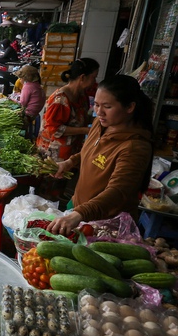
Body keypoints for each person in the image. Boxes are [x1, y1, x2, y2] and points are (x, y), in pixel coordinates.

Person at [46, 75, 153, 234]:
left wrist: (80, 213)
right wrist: (70, 162)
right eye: (96, 105)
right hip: (78, 207)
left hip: (106, 225)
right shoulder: (101, 123)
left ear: (130, 107)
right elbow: (90, 151)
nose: (99, 112)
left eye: (107, 106)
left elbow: (117, 192)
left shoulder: (135, 147)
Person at [37, 58, 100, 161]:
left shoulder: (82, 96)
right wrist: (85, 130)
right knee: (55, 175)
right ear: (83, 78)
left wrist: (98, 121)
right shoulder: (60, 100)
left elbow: (80, 118)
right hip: (53, 154)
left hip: (72, 151)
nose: (95, 82)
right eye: (94, 77)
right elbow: (53, 129)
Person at [16, 65, 46, 140]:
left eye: (20, 78)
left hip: (28, 115)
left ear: (25, 78)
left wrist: (15, 100)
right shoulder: (37, 85)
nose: (19, 79)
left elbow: (23, 102)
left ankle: (23, 137)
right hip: (34, 114)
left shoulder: (28, 86)